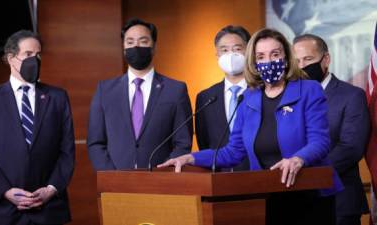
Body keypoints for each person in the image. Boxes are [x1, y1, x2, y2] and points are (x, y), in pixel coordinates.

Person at [159, 28, 343, 225]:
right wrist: (191, 158)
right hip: (265, 197)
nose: (268, 62)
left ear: (287, 58)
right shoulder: (248, 98)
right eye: (261, 56)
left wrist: (298, 159)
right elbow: (233, 151)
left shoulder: (309, 89)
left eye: (275, 54)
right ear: (254, 63)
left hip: (308, 195)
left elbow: (320, 141)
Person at [0, 30, 75, 225]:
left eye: (38, 55)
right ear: (11, 58)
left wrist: (51, 189)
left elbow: (67, 152)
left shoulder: (58, 98)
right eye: (29, 55)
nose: (35, 60)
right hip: (4, 211)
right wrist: (6, 191)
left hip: (49, 210)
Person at [87, 18, 193, 170]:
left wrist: (164, 173)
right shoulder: (105, 90)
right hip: (115, 184)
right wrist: (111, 176)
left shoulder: (176, 90)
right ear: (123, 48)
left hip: (161, 183)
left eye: (143, 41)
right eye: (130, 42)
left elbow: (183, 142)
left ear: (154, 47)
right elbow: (96, 142)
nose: (136, 46)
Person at [293, 34, 370, 225]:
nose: (302, 66)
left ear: (326, 59)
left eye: (308, 59)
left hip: (339, 202)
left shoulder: (352, 96)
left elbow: (351, 148)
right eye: (297, 61)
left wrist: (304, 170)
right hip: (296, 203)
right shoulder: (289, 97)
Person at [195, 25, 250, 171]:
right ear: (217, 56)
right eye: (224, 50)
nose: (230, 55)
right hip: (220, 178)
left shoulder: (263, 92)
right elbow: (204, 142)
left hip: (258, 175)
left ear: (249, 52)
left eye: (237, 49)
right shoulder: (205, 97)